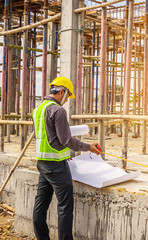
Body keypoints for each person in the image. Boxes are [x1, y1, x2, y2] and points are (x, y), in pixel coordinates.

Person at [32, 77, 100, 240]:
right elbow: (66, 140)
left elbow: (47, 137)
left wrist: (63, 152)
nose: (66, 101)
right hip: (56, 167)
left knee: (40, 206)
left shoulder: (39, 109)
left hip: (42, 164)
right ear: (62, 91)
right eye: (67, 96)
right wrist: (88, 147)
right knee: (65, 207)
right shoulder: (58, 110)